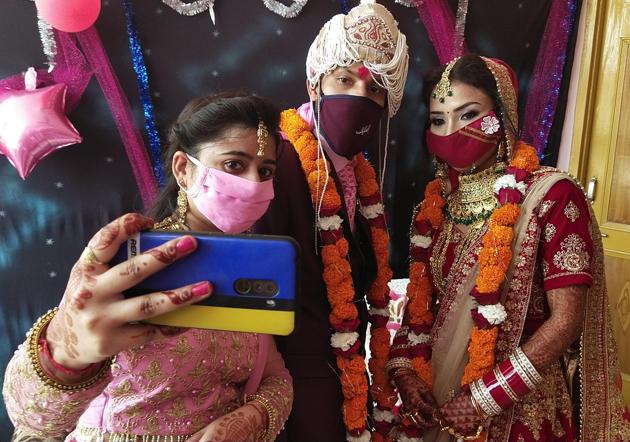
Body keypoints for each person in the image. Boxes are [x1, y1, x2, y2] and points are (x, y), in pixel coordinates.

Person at [3, 93, 293, 441]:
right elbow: (31, 418)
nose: (253, 183)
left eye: (265, 171)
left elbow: (275, 376)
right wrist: (65, 352)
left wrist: (251, 418)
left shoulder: (255, 266)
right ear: (184, 169)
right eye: (234, 164)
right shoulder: (131, 259)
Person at [386, 53, 630, 441]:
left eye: (468, 114)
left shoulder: (552, 197)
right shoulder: (435, 206)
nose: (451, 130)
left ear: (503, 114)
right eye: (438, 120)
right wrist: (404, 371)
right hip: (439, 401)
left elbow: (566, 321)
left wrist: (484, 399)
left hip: (522, 407)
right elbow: (421, 305)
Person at [252, 1, 408, 440]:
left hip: (342, 366)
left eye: (374, 88)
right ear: (314, 85)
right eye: (344, 80)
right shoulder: (277, 163)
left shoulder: (359, 169)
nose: (359, 96)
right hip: (289, 379)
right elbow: (258, 293)